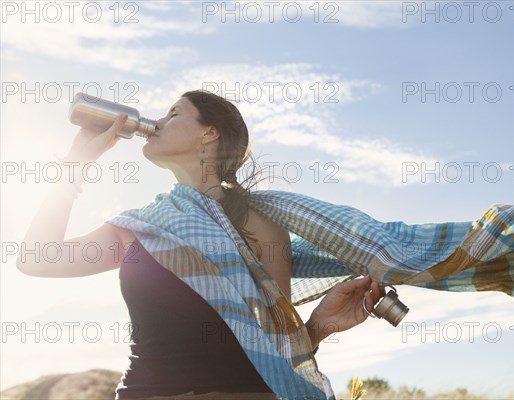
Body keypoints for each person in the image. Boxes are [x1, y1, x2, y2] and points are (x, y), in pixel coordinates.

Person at [17, 90, 386, 399]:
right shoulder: (143, 227)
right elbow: (37, 259)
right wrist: (77, 162)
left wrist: (317, 327)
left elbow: (274, 342)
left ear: (209, 133)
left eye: (173, 114)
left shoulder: (257, 222)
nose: (157, 122)